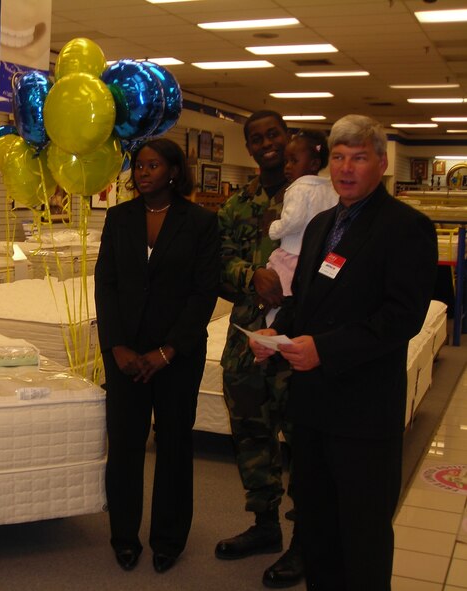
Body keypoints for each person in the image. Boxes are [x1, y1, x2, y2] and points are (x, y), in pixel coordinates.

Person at [249, 114, 438, 590]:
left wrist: (325, 351)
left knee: (363, 534)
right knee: (316, 526)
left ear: (382, 161)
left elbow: (401, 318)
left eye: (358, 157)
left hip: (364, 411)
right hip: (311, 409)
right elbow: (307, 302)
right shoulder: (319, 226)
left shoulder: (406, 227)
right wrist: (275, 336)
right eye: (338, 157)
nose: (346, 168)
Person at [94, 138, 220, 574]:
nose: (143, 172)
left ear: (173, 171)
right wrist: (116, 345)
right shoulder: (119, 218)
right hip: (125, 354)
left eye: (153, 165)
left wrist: (168, 350)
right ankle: (124, 535)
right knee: (125, 445)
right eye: (139, 165)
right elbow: (105, 284)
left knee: (174, 446)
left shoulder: (201, 222)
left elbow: (203, 292)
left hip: (177, 355)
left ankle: (168, 538)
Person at [215, 110, 304, 588]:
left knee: (306, 441)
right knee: (251, 435)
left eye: (273, 134)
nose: (266, 144)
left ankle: (305, 539)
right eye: (256, 138)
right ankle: (265, 526)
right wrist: (253, 278)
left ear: (287, 138)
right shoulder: (237, 205)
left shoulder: (315, 198)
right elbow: (217, 264)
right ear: (248, 147)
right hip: (248, 343)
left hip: (300, 343)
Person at [265, 129, 338, 322]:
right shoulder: (331, 188)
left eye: (294, 161)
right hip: (321, 257)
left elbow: (292, 221)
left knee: (279, 305)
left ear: (314, 164)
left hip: (293, 255)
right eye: (286, 161)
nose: (287, 167)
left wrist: (273, 228)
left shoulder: (298, 188)